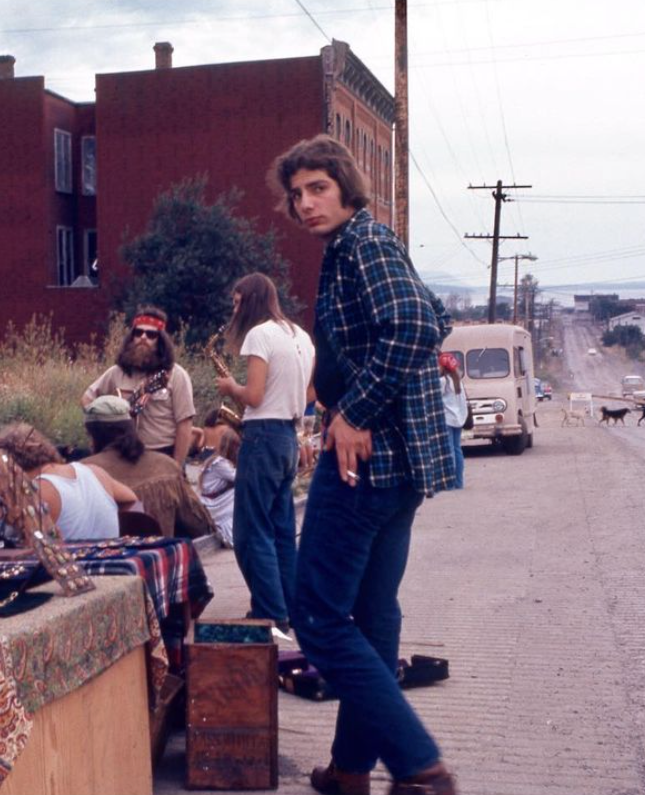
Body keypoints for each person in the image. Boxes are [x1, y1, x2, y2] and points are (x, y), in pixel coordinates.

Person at [268, 135, 458, 795]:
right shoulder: (362, 246)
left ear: (347, 187)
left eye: (318, 187)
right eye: (296, 194)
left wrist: (355, 412)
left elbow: (415, 327)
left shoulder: (364, 244)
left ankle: (419, 765)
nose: (305, 203)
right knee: (374, 616)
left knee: (318, 619)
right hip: (400, 469)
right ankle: (351, 768)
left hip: (366, 464)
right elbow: (434, 312)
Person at [215, 272, 315, 633]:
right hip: (288, 436)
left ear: (251, 300)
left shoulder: (259, 334)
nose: (234, 310)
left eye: (237, 302)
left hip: (263, 436)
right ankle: (291, 609)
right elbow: (311, 393)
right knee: (282, 531)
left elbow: (254, 396)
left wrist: (231, 387)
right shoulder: (300, 335)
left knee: (251, 532)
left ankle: (269, 612)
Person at [81, 395, 213, 539]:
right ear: (131, 427)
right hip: (158, 551)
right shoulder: (165, 466)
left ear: (93, 435)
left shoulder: (81, 472)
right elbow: (201, 526)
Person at [82, 307, 196, 465]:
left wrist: (177, 465)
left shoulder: (176, 375)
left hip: (161, 455)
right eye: (138, 332)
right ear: (131, 337)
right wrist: (100, 425)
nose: (143, 337)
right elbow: (87, 399)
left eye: (151, 335)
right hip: (122, 454)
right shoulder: (117, 372)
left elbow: (184, 424)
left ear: (161, 341)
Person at [0, 422, 137, 541]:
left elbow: (25, 544)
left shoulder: (37, 491)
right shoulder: (95, 472)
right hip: (109, 560)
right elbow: (131, 499)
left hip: (70, 566)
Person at [198, 427, 240, 547]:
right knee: (238, 492)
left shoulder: (217, 460)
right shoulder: (220, 463)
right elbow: (239, 478)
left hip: (213, 501)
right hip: (212, 504)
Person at [439, 352, 468, 490]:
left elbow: (435, 398)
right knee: (457, 449)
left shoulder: (443, 381)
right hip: (459, 418)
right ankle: (459, 482)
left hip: (447, 418)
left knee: (448, 450)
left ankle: (449, 483)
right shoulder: (457, 380)